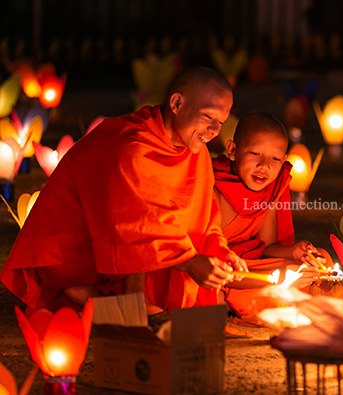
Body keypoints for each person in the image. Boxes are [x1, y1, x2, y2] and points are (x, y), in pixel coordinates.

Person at [0, 66, 247, 323]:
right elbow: (135, 225)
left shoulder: (196, 153)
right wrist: (189, 261)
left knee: (186, 284)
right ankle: (129, 302)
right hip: (74, 254)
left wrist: (221, 252)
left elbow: (204, 220)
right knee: (139, 232)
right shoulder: (131, 146)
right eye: (208, 117)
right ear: (176, 103)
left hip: (124, 253)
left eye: (221, 121)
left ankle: (95, 298)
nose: (215, 130)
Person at [212, 112, 329, 317]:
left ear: (284, 159)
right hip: (219, 273)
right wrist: (279, 277)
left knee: (319, 264)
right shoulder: (213, 185)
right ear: (232, 150)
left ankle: (265, 297)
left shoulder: (273, 187)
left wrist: (294, 252)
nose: (264, 165)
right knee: (206, 291)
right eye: (255, 153)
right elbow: (209, 266)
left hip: (252, 268)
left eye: (275, 158)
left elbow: (267, 247)